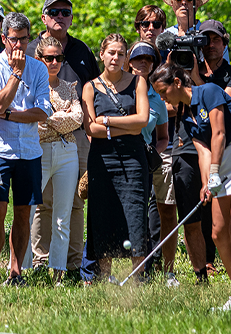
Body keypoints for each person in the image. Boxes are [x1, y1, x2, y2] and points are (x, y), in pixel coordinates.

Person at [153, 59, 231, 309]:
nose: (162, 99)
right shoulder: (185, 114)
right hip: (219, 162)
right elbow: (202, 151)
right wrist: (206, 184)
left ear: (177, 82)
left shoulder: (210, 91)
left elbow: (219, 133)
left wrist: (214, 171)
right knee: (217, 232)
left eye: (163, 92)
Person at [0, 11, 52, 285]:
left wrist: (10, 115)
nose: (19, 46)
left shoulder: (40, 68)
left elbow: (43, 112)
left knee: (24, 212)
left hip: (30, 150)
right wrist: (16, 74)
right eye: (14, 40)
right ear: (4, 39)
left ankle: (16, 271)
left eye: (24, 39)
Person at [26, 0, 94, 275]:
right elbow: (30, 112)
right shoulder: (30, 48)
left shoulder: (81, 50)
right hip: (37, 140)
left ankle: (72, 262)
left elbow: (85, 104)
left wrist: (53, 118)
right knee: (40, 203)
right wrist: (57, 118)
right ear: (44, 17)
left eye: (66, 12)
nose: (60, 16)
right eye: (54, 11)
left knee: (75, 202)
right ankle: (40, 261)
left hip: (76, 139)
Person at [82, 34, 150, 280]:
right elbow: (91, 129)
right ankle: (104, 275)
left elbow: (141, 122)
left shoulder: (138, 82)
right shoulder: (90, 87)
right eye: (111, 52)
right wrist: (126, 126)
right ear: (101, 54)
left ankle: (138, 276)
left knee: (135, 214)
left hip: (133, 159)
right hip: (102, 160)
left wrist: (108, 122)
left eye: (121, 54)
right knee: (102, 215)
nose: (116, 58)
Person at [34, 36, 83, 284]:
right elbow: (33, 124)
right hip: (38, 152)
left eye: (59, 58)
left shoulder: (68, 87)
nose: (54, 62)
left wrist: (49, 118)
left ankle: (59, 273)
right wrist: (60, 119)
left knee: (63, 215)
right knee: (30, 208)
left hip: (67, 153)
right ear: (38, 58)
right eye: (49, 58)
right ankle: (21, 269)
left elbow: (78, 118)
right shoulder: (29, 85)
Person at [127, 41, 172, 284]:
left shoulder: (157, 99)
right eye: (137, 58)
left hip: (141, 160)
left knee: (140, 213)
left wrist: (152, 152)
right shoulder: (118, 88)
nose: (143, 63)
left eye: (148, 59)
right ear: (129, 62)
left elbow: (164, 137)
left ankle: (143, 266)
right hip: (115, 156)